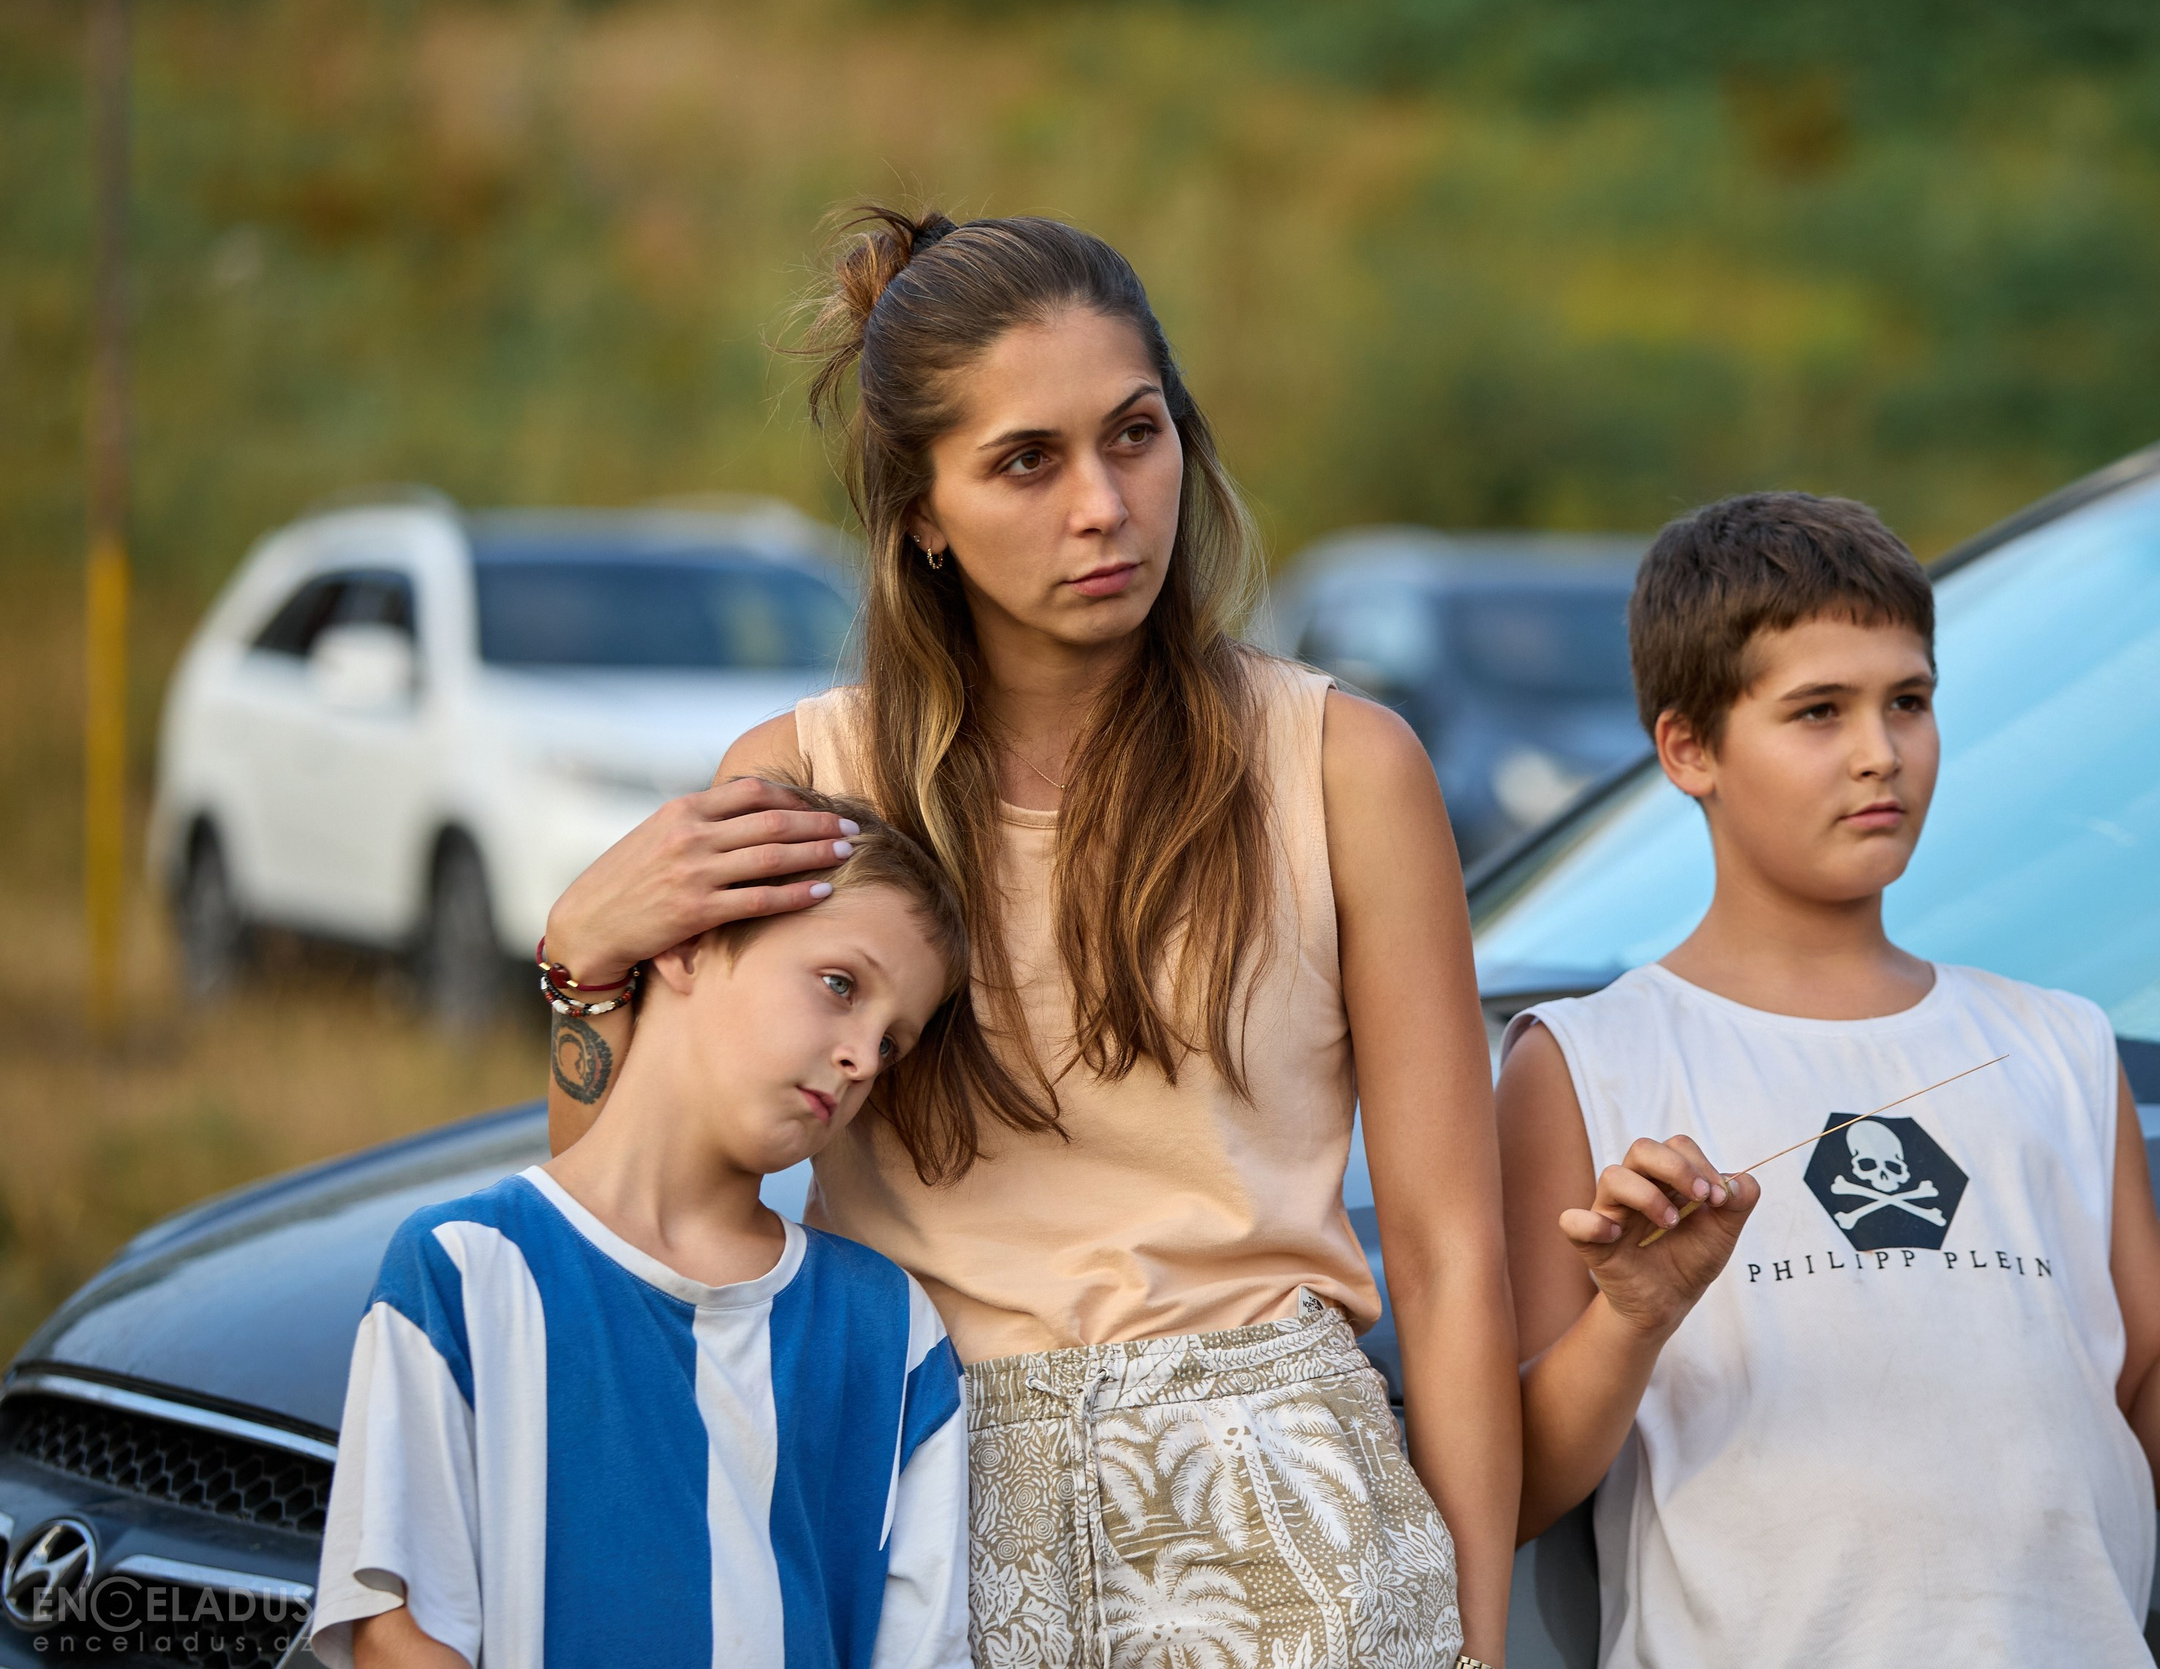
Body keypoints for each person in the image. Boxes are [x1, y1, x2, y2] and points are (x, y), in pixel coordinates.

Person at [537, 208, 1517, 1668]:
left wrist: (1477, 1639)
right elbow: (633, 1217)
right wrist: (584, 961)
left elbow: (1447, 1256)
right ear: (921, 513)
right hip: (913, 1491)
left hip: (1286, 1519)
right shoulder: (808, 785)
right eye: (1025, 462)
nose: (1104, 504)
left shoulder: (1341, 766)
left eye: (1135, 434)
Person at [1500, 493, 2160, 1667]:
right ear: (1688, 749)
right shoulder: (1584, 1059)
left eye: (1909, 701)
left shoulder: (2059, 1047)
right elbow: (1515, 1484)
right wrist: (1633, 1313)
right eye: (1817, 711)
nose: (1879, 750)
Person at [310, 797, 975, 1669]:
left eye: (893, 1043)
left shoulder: (890, 1334)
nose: (861, 1057)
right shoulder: (465, 1271)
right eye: (840, 985)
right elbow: (400, 1639)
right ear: (691, 944)